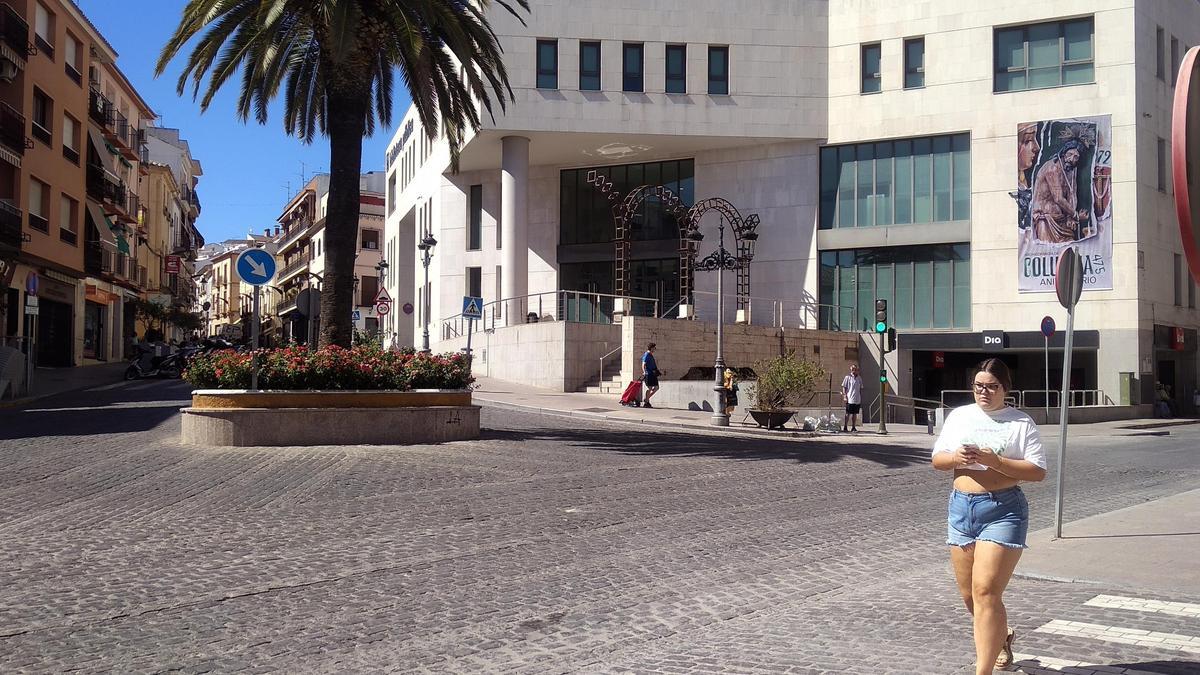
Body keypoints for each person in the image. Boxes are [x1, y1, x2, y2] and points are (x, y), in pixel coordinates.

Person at [932, 358, 1047, 674]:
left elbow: (1037, 471)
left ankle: (982, 671)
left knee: (986, 592)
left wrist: (994, 461)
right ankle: (1002, 636)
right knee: (971, 596)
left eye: (992, 386)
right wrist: (955, 457)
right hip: (961, 508)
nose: (984, 392)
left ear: (1005, 389)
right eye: (979, 386)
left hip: (1003, 511)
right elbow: (937, 460)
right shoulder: (959, 416)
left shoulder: (1019, 422)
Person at [1031, 139, 1089, 244]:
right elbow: (1058, 198)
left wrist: (1070, 218)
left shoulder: (1070, 170)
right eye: (1070, 154)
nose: (1071, 159)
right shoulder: (1052, 168)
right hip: (1046, 220)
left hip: (1062, 221)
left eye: (1076, 157)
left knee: (1069, 249)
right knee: (1047, 251)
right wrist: (1076, 215)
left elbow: (1072, 194)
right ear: (1063, 153)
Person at [841, 364, 862, 432]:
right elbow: (844, 387)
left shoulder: (859, 378)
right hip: (850, 398)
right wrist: (845, 396)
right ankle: (845, 426)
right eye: (853, 369)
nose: (854, 370)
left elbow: (861, 388)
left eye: (855, 369)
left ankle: (853, 427)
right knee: (848, 413)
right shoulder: (848, 377)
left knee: (855, 413)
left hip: (857, 399)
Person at [641, 342, 661, 408]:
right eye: (654, 348)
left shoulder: (650, 354)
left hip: (653, 374)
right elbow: (643, 364)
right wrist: (644, 372)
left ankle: (646, 399)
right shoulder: (647, 355)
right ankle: (646, 402)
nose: (655, 349)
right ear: (652, 348)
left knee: (656, 387)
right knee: (649, 388)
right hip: (649, 374)